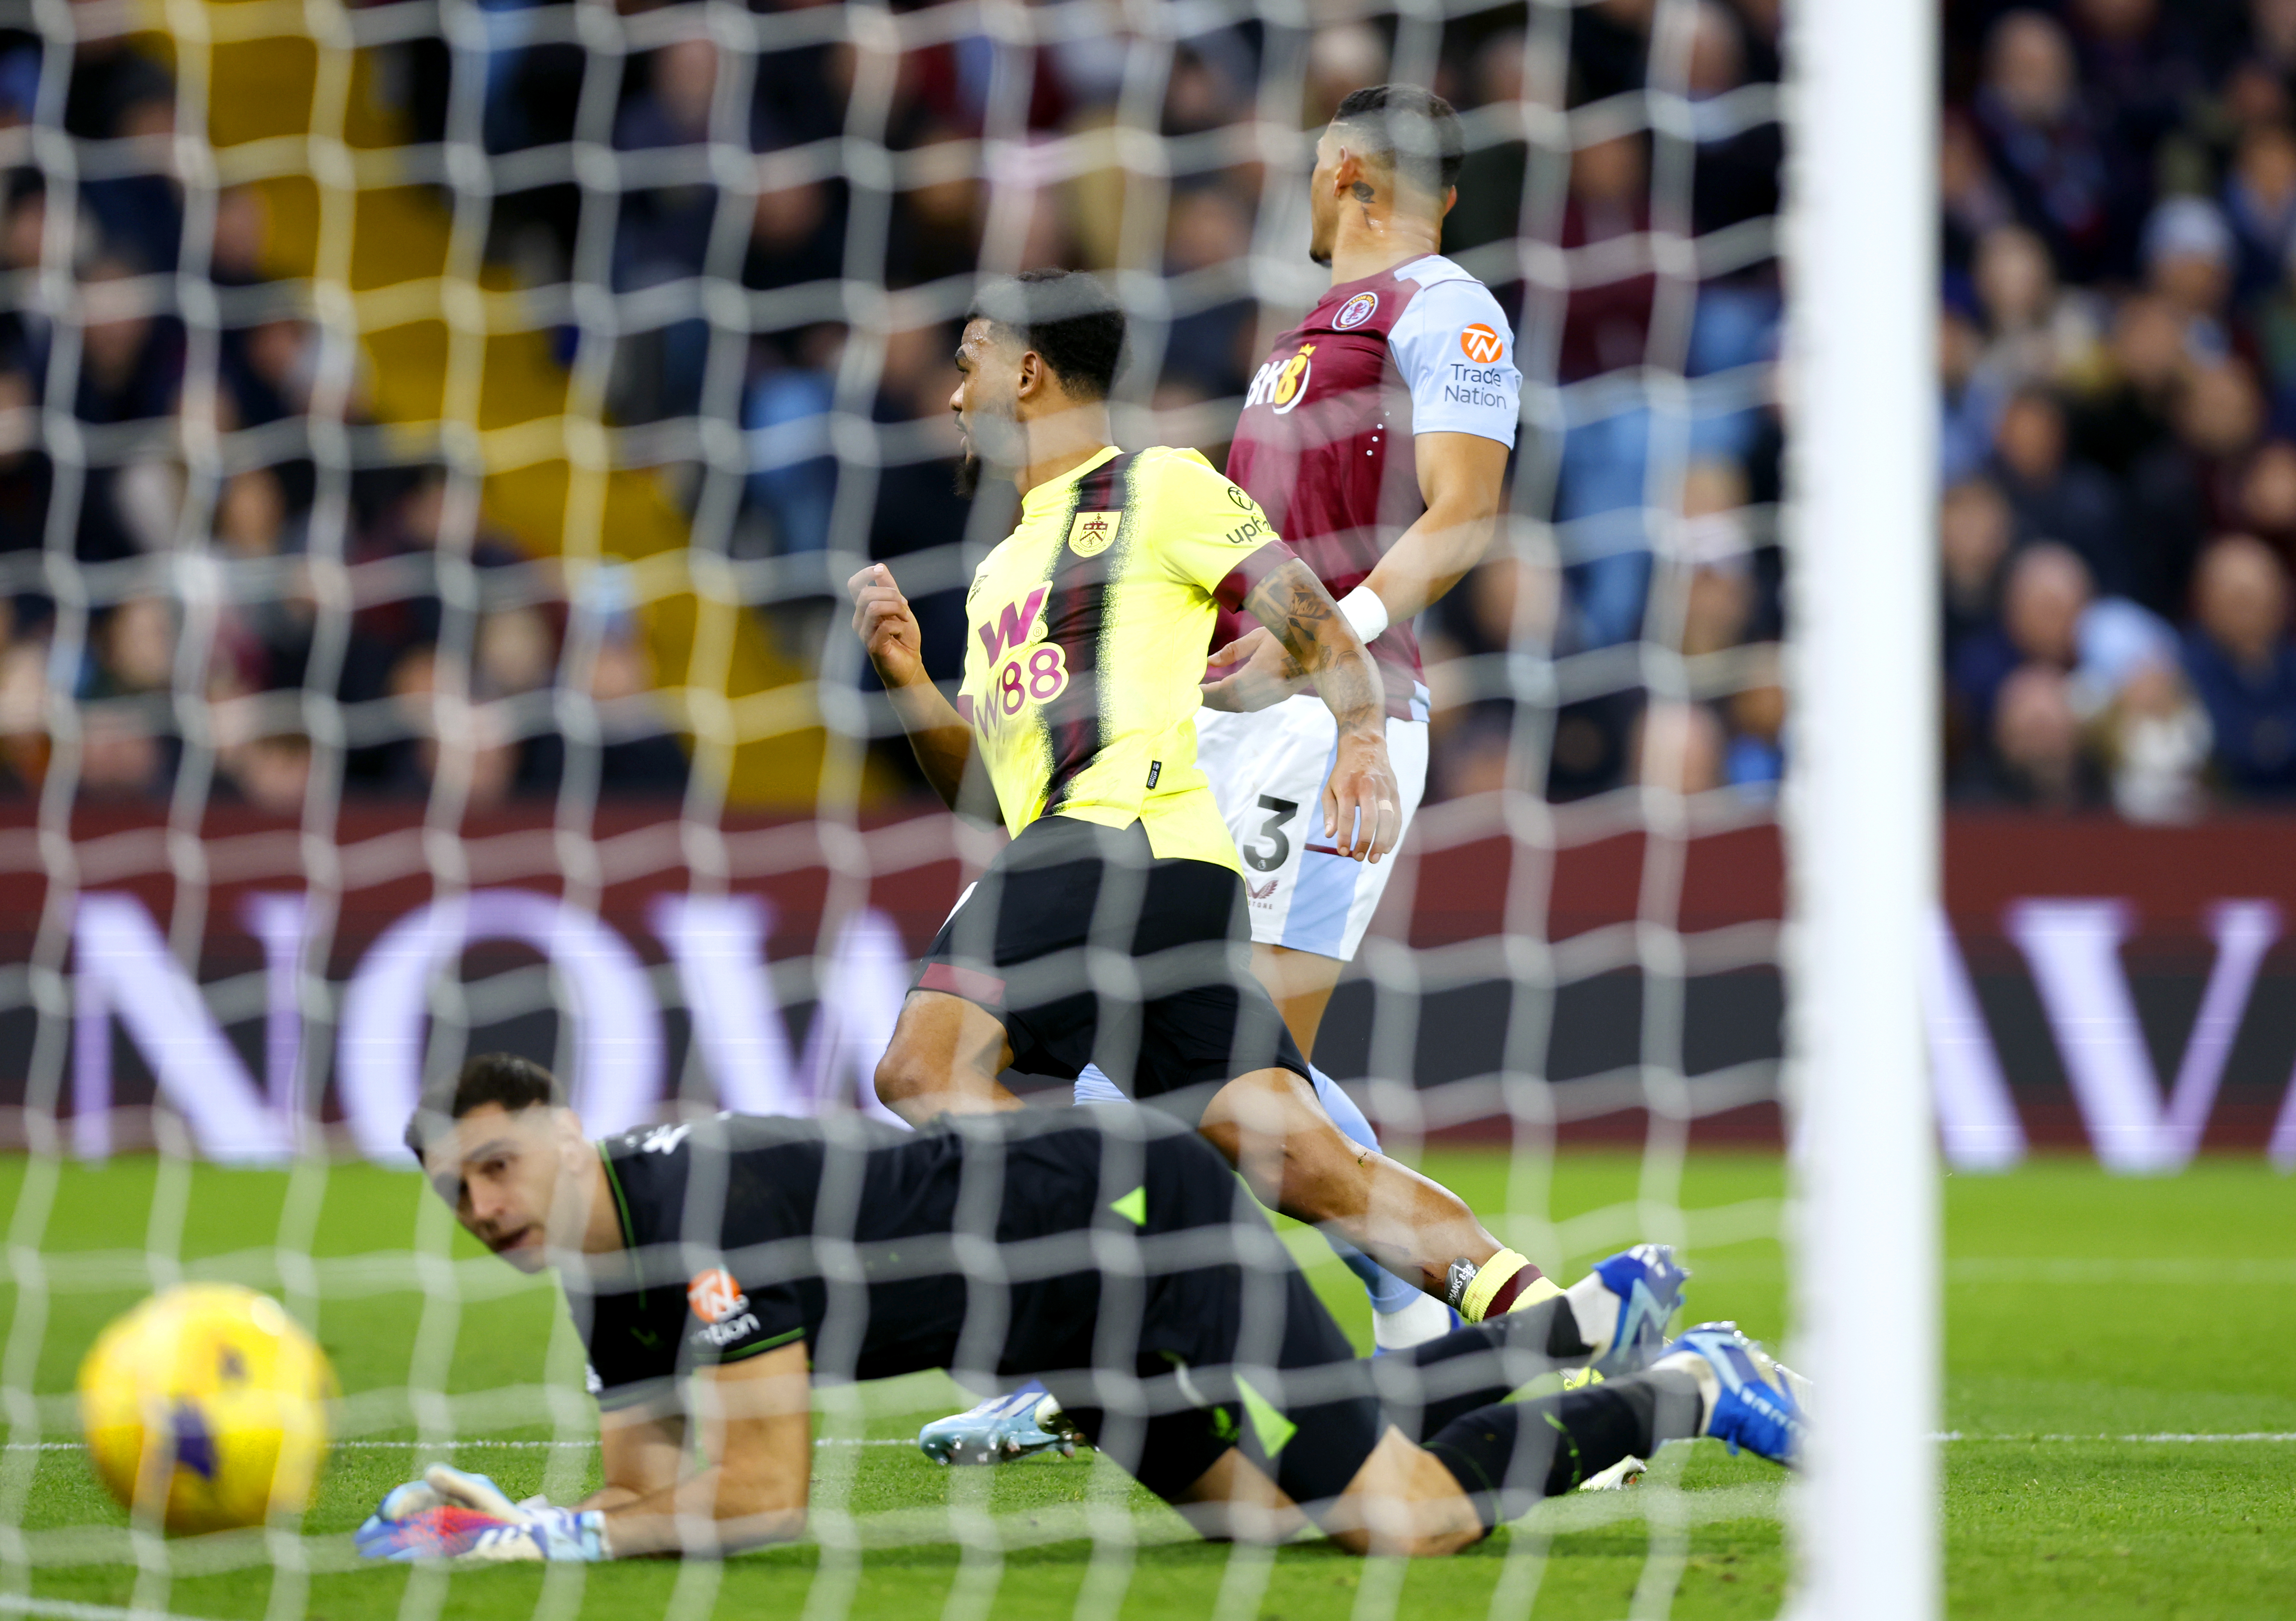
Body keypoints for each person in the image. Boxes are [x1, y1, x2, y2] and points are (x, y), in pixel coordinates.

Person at [849, 268, 1599, 1337]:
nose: (954, 397)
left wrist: (1358, 742)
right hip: (1150, 886)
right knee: (1305, 1160)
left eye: (966, 369)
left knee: (922, 1068)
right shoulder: (998, 574)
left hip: (1124, 838)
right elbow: (984, 793)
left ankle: (1130, 1259)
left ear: (1027, 370)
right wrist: (906, 677)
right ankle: (1570, 1326)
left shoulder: (1158, 485)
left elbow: (1317, 622)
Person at [355, 1055, 1804, 1562]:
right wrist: (528, 1518)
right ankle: (1561, 1327)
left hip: (1126, 1213)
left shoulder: (704, 1213)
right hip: (1051, 1325)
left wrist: (544, 1528)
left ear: (561, 1134)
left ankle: (1686, 1382)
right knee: (1263, 1514)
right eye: (455, 1193)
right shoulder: (608, 1279)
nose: (483, 1208)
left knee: (1396, 1518)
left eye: (495, 1166)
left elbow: (758, 1492)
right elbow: (637, 1488)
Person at [1068, 83, 1527, 1355]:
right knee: (1202, 1048)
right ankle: (1418, 1303)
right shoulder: (1318, 328)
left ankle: (1130, 1346)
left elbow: (1467, 511)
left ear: (1343, 174)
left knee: (1236, 1054)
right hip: (1239, 717)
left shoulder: (1448, 310)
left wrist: (1338, 651)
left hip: (1328, 720)